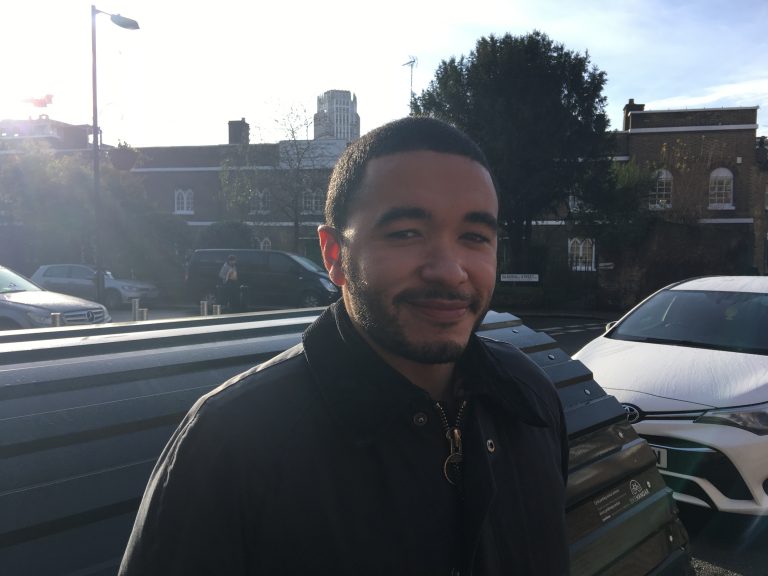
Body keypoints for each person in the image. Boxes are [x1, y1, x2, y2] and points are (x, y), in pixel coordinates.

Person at [119, 116, 570, 575]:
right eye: (406, 233)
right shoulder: (230, 443)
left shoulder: (530, 400)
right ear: (334, 255)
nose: (449, 270)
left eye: (475, 237)